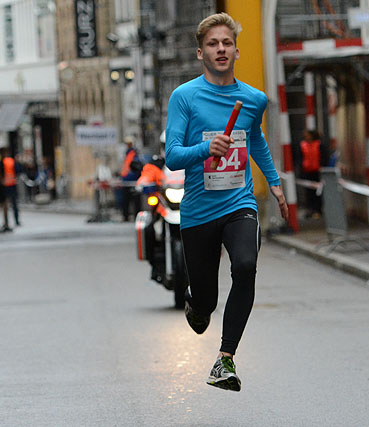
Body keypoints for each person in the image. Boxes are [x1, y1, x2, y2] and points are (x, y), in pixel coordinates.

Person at [165, 12, 288, 392]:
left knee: (246, 266)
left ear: (236, 51)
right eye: (213, 44)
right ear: (200, 53)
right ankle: (197, 304)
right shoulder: (184, 97)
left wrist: (275, 183)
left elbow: (255, 140)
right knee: (206, 301)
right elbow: (172, 156)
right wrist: (206, 149)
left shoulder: (253, 99)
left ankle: (225, 359)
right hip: (199, 211)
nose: (221, 49)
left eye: (227, 43)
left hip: (239, 202)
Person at [299, 129, 322, 217]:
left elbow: (323, 156)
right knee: (308, 192)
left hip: (317, 172)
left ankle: (317, 209)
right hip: (307, 171)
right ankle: (310, 209)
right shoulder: (303, 145)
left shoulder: (319, 145)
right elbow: (300, 158)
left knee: (318, 192)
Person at [119, 136, 142, 221]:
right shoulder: (128, 154)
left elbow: (136, 167)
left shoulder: (133, 154)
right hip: (127, 181)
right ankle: (127, 216)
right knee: (127, 200)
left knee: (134, 201)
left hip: (132, 181)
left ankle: (134, 216)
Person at [1, 148, 19, 226]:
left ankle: (6, 222)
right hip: (12, 184)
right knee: (14, 203)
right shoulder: (11, 161)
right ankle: (16, 220)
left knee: (5, 204)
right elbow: (17, 170)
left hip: (5, 185)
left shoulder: (2, 162)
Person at [0, 150, 10, 232]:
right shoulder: (1, 162)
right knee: (4, 205)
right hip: (1, 187)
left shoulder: (3, 161)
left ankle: (6, 224)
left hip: (3, 186)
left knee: (5, 205)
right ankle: (6, 224)